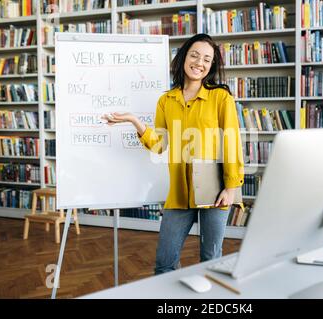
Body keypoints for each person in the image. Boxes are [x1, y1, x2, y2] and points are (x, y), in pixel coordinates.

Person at [102, 33, 244, 275]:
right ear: (184, 57)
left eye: (207, 59)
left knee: (210, 260)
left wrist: (231, 188)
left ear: (211, 66)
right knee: (165, 263)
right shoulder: (166, 101)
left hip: (216, 190)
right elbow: (159, 145)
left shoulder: (221, 97)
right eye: (195, 55)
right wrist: (135, 121)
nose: (199, 63)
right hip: (179, 192)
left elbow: (232, 142)